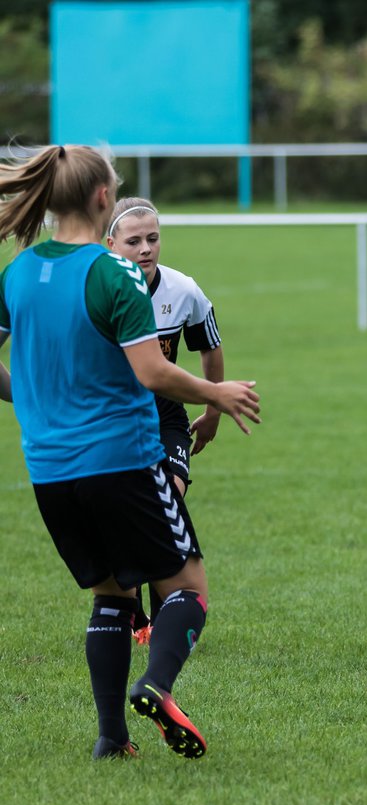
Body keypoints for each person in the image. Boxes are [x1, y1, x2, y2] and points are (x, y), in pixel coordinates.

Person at [0, 145, 261, 758]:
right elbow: (153, 373)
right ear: (101, 199)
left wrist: (36, 400)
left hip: (50, 471)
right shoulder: (111, 273)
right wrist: (215, 392)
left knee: (112, 595)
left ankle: (111, 739)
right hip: (123, 461)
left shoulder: (19, 271)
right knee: (188, 588)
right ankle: (158, 686)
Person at [106, 198, 224, 642]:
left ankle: (161, 619)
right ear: (111, 243)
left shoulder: (182, 290)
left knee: (166, 501)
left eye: (152, 238)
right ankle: (130, 612)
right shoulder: (98, 290)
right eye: (133, 241)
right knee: (126, 514)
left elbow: (209, 345)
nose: (145, 249)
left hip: (165, 413)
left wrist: (212, 409)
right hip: (114, 417)